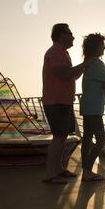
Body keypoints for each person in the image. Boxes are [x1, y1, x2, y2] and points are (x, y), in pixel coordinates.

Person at [42, 23, 94, 184]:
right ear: (60, 34)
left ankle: (58, 169)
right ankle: (51, 174)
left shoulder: (63, 53)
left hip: (63, 101)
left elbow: (72, 76)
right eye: (69, 33)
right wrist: (84, 64)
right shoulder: (56, 51)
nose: (72, 36)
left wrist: (84, 65)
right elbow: (63, 74)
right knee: (58, 137)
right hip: (56, 101)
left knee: (62, 136)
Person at [80, 33, 105, 181]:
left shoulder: (88, 63)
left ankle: (85, 171)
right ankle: (87, 171)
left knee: (87, 139)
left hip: (87, 106)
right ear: (95, 47)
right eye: (102, 45)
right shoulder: (96, 63)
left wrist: (104, 84)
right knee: (101, 139)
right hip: (94, 108)